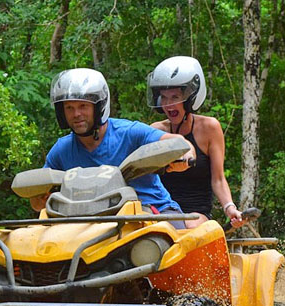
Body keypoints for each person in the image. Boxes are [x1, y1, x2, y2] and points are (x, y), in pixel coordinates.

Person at [30, 68, 195, 228]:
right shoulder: (61, 150)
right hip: (86, 221)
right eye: (69, 108)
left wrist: (185, 156)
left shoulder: (130, 132)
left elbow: (179, 142)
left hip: (151, 211)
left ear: (99, 107)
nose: (76, 114)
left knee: (172, 242)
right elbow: (37, 203)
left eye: (83, 106)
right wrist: (41, 197)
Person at [147, 56, 246, 229]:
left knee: (188, 229)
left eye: (175, 97)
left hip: (195, 214)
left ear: (190, 97)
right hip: (160, 212)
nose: (168, 104)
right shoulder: (156, 130)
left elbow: (218, 178)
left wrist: (229, 208)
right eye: (164, 97)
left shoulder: (209, 128)